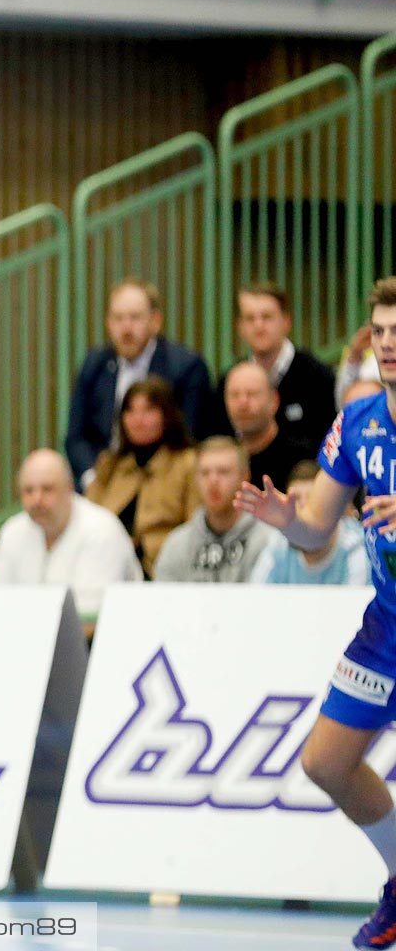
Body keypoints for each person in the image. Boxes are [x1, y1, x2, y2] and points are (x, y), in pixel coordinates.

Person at [237, 277, 396, 950]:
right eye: (381, 333)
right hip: (388, 626)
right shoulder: (360, 422)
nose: (388, 345)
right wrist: (288, 522)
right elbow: (316, 530)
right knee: (326, 762)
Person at [66, 279, 215, 486]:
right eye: (118, 318)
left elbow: (190, 438)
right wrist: (94, 479)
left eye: (135, 318)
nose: (126, 328)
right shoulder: (94, 364)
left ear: (155, 321)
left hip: (163, 482)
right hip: (102, 479)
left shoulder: (186, 367)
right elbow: (76, 438)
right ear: (108, 323)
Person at [0, 450, 141, 639]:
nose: (37, 499)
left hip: (101, 647)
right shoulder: (12, 531)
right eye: (28, 491)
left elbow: (90, 621)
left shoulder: (102, 530)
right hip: (26, 645)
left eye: (47, 489)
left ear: (69, 488)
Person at [83, 376, 199, 577]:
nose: (138, 419)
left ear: (167, 415)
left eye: (148, 410)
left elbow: (197, 529)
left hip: (161, 571)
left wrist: (139, 547)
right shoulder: (110, 464)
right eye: (130, 410)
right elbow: (85, 519)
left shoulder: (188, 463)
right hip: (107, 567)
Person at [152, 438, 285, 583]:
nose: (213, 481)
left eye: (223, 472)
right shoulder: (178, 544)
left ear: (244, 476)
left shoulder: (269, 540)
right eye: (205, 473)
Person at [235, 281, 336, 448]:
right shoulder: (232, 380)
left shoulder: (317, 377)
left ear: (286, 321)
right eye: (250, 318)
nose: (258, 326)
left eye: (266, 317)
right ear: (240, 327)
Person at [251, 461, 370, 586]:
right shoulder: (278, 542)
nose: (302, 507)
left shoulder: (357, 544)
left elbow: (356, 604)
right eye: (294, 499)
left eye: (311, 498)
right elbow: (256, 598)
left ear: (335, 505)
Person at [224, 360, 315, 491]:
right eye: (234, 395)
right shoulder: (221, 462)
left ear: (274, 401)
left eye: (252, 394)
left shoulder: (302, 458)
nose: (242, 403)